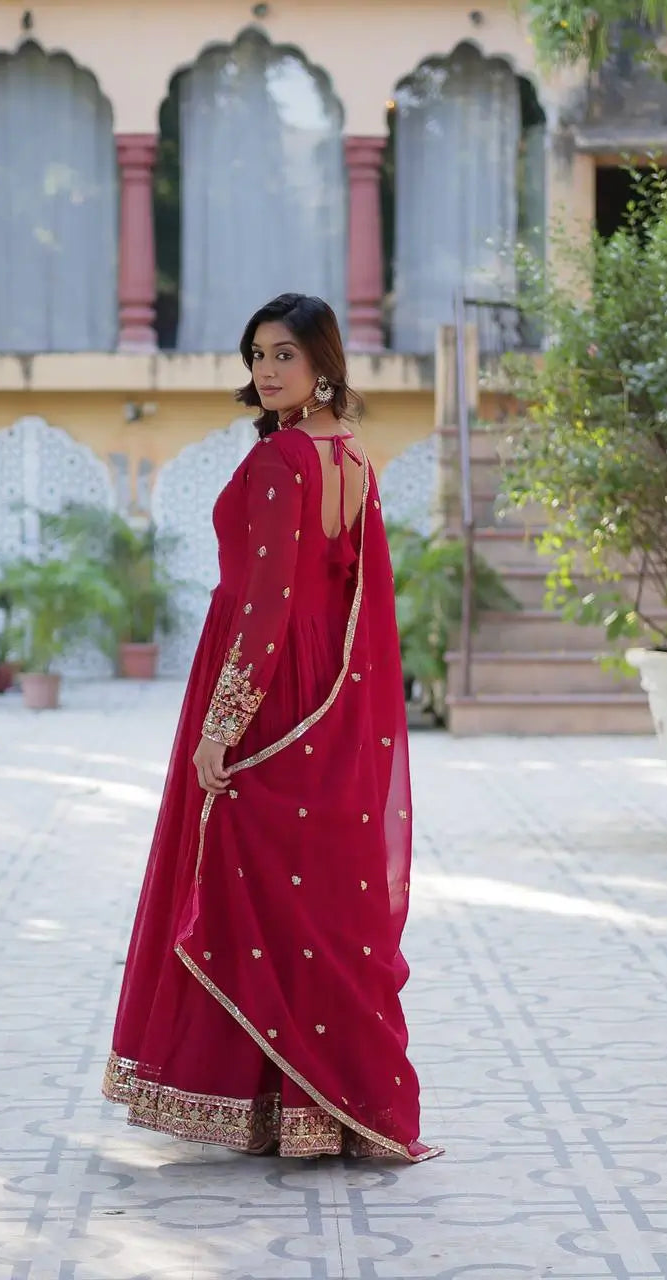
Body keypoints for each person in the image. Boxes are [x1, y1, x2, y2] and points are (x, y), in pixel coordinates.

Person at [102, 293, 443, 1163]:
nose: (265, 370)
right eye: (257, 354)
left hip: (272, 682)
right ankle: (311, 1107)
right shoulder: (351, 456)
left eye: (284, 354)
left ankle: (274, 1099)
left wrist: (222, 725)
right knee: (308, 887)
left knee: (246, 882)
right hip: (326, 680)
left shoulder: (281, 460)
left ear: (323, 363)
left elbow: (265, 605)